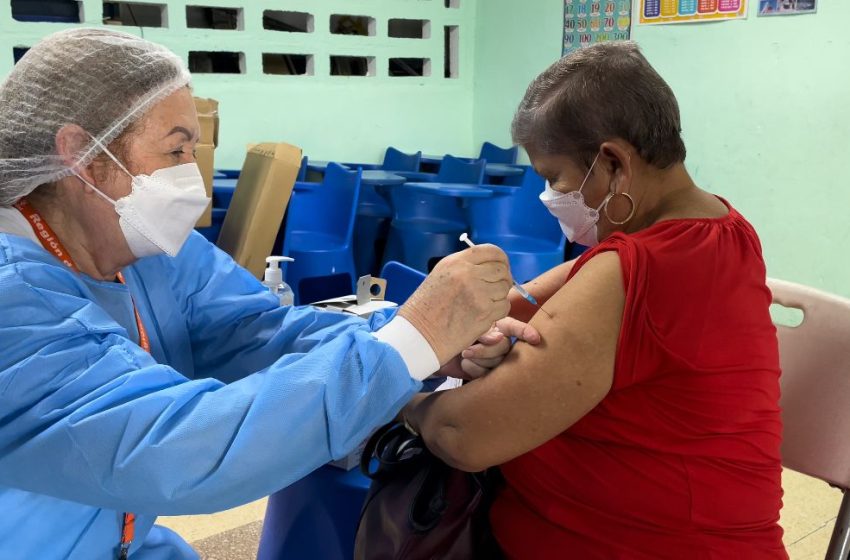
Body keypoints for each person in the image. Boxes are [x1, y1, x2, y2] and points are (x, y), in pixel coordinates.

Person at [0, 29, 537, 559]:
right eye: (175, 149)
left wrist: (421, 341)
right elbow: (178, 449)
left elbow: (257, 331)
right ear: (82, 154)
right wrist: (410, 342)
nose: (193, 177)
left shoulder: (146, 256)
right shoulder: (12, 303)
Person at [403, 41, 787, 559]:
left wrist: (397, 402)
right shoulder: (721, 226)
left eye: (553, 177)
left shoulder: (639, 267)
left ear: (613, 164)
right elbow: (509, 307)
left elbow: (462, 435)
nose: (550, 197)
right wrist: (489, 340)